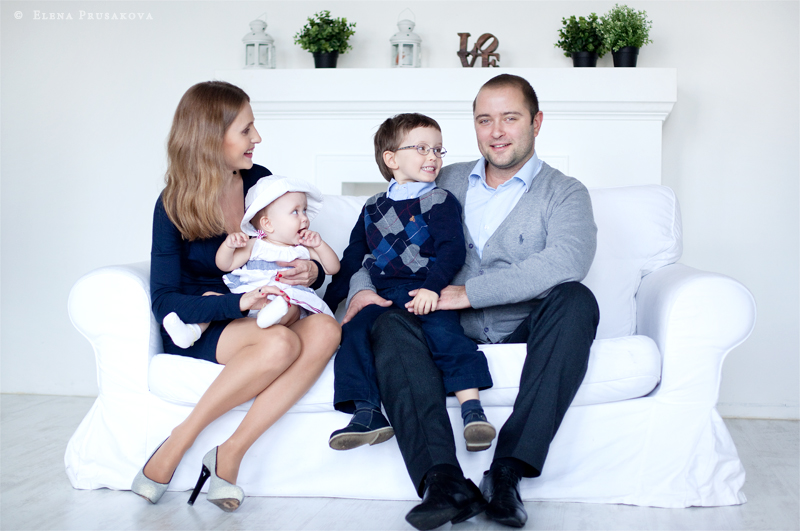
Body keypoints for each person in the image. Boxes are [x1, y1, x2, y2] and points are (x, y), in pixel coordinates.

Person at [343, 75, 599, 529]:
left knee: (577, 299)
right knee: (387, 320)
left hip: (524, 325)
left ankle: (507, 473)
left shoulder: (565, 192)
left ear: (536, 122)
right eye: (484, 120)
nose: (496, 131)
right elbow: (376, 241)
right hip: (439, 325)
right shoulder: (441, 178)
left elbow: (567, 260)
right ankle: (443, 481)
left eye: (510, 118)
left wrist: (468, 293)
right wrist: (361, 288)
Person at [132, 81, 341, 512]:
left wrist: (313, 271)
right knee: (279, 341)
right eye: (246, 130)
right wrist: (238, 304)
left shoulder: (260, 181)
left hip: (266, 310)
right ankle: (178, 441)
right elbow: (164, 299)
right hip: (204, 323)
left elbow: (290, 248)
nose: (257, 138)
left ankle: (230, 452)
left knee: (325, 328)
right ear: (211, 136)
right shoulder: (172, 204)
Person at [323, 113, 495, 454]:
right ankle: (366, 412)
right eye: (421, 148)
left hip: (425, 290)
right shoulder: (372, 207)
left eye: (438, 149)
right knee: (353, 334)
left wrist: (433, 287)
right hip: (382, 296)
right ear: (391, 159)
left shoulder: (440, 200)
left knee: (447, 335)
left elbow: (452, 250)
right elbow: (353, 257)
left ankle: (472, 410)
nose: (433, 157)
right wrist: (326, 307)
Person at [162, 175, 339, 348]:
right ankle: (191, 332)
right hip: (250, 299)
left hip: (284, 301)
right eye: (295, 212)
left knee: (289, 306)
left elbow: (333, 268)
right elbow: (225, 264)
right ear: (267, 224)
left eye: (305, 210)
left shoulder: (302, 248)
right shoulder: (255, 245)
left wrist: (320, 245)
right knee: (209, 297)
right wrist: (229, 246)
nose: (305, 218)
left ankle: (267, 319)